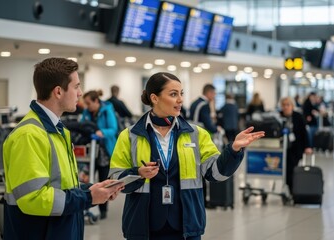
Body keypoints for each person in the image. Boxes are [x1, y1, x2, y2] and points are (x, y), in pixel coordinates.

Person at [109, 72, 265, 240]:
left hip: (186, 227)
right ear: (155, 98)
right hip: (143, 227)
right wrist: (138, 173)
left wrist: (233, 150)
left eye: (181, 93)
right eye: (173, 94)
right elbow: (115, 180)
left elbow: (215, 173)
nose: (180, 100)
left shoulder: (196, 134)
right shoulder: (129, 135)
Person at [2, 57, 124, 239]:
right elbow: (34, 198)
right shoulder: (29, 135)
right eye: (76, 87)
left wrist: (92, 190)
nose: (80, 93)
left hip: (60, 229)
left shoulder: (57, 130)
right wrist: (89, 198)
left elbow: (62, 186)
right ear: (58, 92)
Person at [80, 90, 118, 220]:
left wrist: (101, 132)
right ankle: (86, 206)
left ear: (96, 101)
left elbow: (113, 129)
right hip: (90, 150)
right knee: (86, 178)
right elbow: (82, 125)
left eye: (89, 103)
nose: (87, 106)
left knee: (103, 181)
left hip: (104, 151)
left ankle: (103, 210)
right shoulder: (86, 112)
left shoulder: (107, 110)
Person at [279, 97, 312, 195]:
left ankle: (293, 192)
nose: (285, 107)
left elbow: (304, 133)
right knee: (285, 170)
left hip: (295, 148)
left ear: (292, 106)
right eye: (283, 105)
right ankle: (290, 191)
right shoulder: (279, 117)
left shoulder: (298, 117)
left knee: (292, 170)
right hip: (282, 149)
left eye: (288, 105)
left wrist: (307, 146)